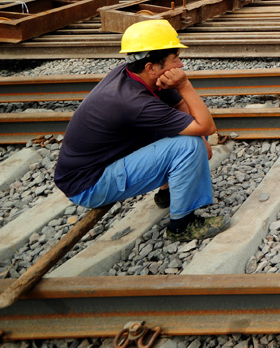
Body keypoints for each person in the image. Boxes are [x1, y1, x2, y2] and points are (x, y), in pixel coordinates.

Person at [53, 20, 230, 241]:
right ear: (151, 67)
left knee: (189, 129)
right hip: (89, 184)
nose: (181, 64)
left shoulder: (137, 75)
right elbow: (208, 126)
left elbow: (187, 113)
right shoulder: (132, 101)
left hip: (104, 163)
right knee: (190, 144)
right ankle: (182, 226)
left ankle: (168, 193)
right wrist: (185, 86)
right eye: (175, 58)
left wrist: (198, 132)